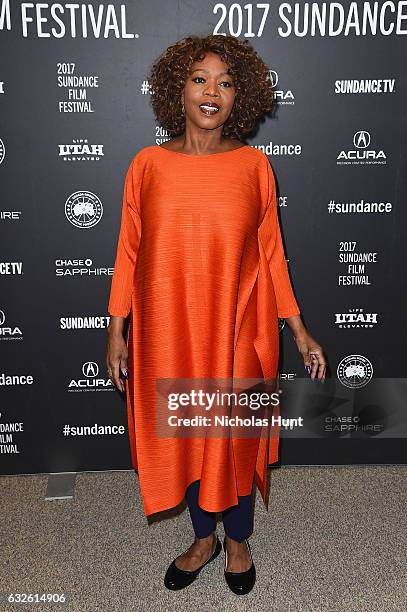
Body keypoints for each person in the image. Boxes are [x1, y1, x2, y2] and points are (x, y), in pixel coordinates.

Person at [106, 33, 326, 595]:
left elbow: (272, 253)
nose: (212, 92)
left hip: (239, 329)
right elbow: (128, 252)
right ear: (177, 90)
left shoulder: (254, 165)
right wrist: (117, 330)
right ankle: (204, 538)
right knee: (187, 433)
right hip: (169, 329)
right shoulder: (147, 165)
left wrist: (298, 330)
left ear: (240, 98)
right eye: (199, 79)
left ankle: (237, 541)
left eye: (226, 83)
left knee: (234, 435)